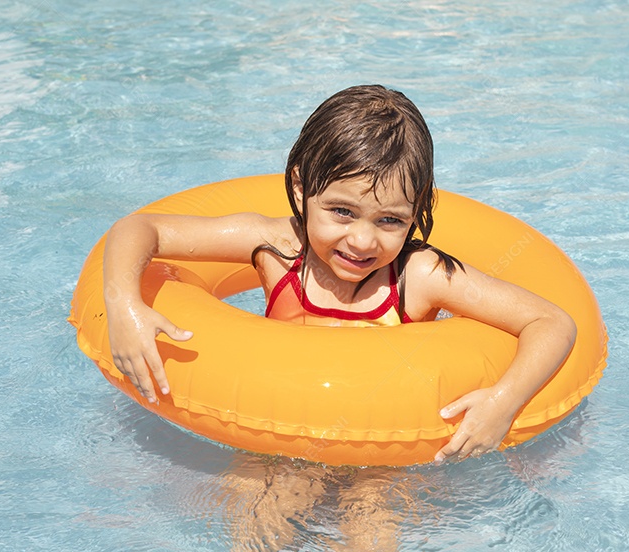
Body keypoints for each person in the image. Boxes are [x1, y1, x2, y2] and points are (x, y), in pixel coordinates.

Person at [103, 85, 575, 463]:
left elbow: (551, 322)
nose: (363, 241)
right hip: (279, 436)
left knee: (371, 541)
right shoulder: (275, 248)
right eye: (342, 212)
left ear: (416, 211)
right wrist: (126, 306)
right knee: (258, 530)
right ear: (300, 188)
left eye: (389, 220)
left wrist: (502, 402)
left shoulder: (420, 275)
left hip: (385, 452)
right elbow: (138, 229)